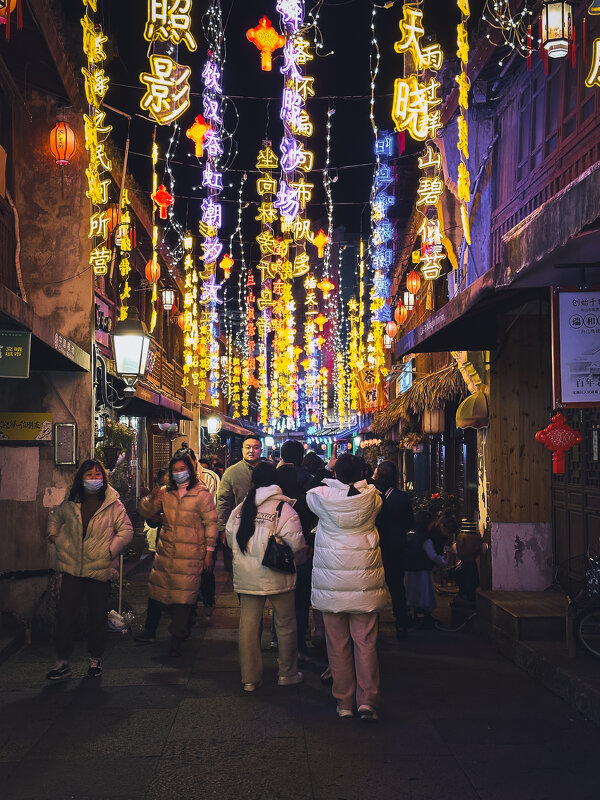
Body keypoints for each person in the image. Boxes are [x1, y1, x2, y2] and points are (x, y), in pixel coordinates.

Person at [306, 452, 387, 722]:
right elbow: (372, 490)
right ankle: (368, 701)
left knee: (337, 645)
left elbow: (311, 493)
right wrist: (359, 482)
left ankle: (344, 703)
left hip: (331, 585)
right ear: (362, 473)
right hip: (364, 582)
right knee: (366, 643)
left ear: (335, 474)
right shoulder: (372, 499)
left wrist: (334, 482)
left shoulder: (321, 499)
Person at [45, 459, 133, 681]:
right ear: (81, 478)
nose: (94, 479)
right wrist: (55, 537)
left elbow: (126, 531)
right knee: (65, 615)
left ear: (103, 478)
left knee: (96, 616)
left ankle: (95, 660)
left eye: (97, 475)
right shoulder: (71, 500)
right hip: (72, 568)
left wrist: (110, 551)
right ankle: (63, 662)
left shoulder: (113, 503)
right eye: (89, 475)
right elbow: (55, 518)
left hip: (99, 569)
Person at [225, 462, 305, 692]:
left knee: (248, 627)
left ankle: (250, 678)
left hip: (248, 577)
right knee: (286, 625)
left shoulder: (240, 509)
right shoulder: (284, 509)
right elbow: (297, 545)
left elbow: (231, 541)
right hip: (278, 575)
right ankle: (287, 673)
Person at [138, 453, 218, 656]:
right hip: (166, 552)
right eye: (175, 470)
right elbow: (146, 511)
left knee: (183, 597)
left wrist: (209, 552)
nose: (178, 473)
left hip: (191, 553)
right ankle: (165, 630)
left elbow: (211, 524)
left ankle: (177, 637)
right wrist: (151, 498)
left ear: (190, 471)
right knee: (160, 592)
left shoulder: (201, 494)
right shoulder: (166, 493)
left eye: (182, 469)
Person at [174, 444, 220, 622]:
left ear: (194, 461)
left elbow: (213, 508)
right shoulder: (176, 479)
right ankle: (189, 611)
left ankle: (208, 603)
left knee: (206, 571)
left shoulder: (209, 478)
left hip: (203, 534)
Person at [372, 460, 414, 640]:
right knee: (397, 586)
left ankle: (372, 625)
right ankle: (402, 623)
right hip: (396, 546)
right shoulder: (401, 497)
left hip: (375, 546)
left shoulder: (371, 495)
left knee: (372, 586)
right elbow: (410, 522)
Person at [217, 435, 263, 570]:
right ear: (242, 449)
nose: (251, 451)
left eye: (255, 448)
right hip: (237, 525)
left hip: (263, 525)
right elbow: (223, 501)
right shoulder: (231, 472)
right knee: (238, 566)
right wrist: (222, 528)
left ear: (260, 449)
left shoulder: (268, 470)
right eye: (248, 447)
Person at [404, 511, 447, 629]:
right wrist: (444, 561)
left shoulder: (409, 535)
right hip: (422, 570)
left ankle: (411, 617)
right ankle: (421, 618)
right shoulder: (425, 539)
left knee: (410, 594)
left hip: (408, 570)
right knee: (422, 595)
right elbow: (432, 555)